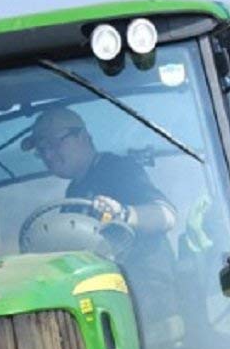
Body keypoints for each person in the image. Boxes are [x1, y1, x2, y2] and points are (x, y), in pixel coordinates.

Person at [22, 107, 176, 256]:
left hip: (139, 272)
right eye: (42, 149)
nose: (48, 155)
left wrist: (122, 214)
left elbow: (166, 216)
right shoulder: (74, 190)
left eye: (54, 144)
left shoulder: (117, 169)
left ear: (82, 137)